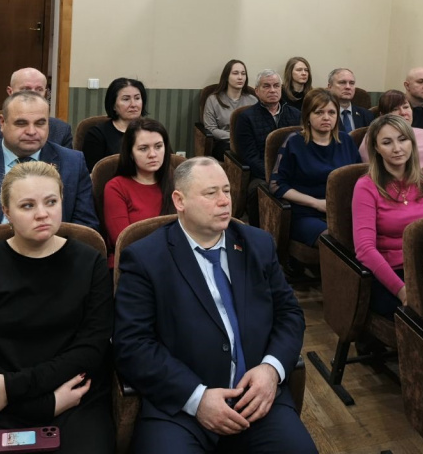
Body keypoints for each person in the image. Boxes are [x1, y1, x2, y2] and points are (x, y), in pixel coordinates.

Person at [114, 158, 316, 453]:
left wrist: (271, 370)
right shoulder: (146, 258)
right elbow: (132, 344)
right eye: (211, 193)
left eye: (227, 191)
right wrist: (197, 398)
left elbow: (289, 314)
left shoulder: (257, 244)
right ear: (179, 201)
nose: (224, 201)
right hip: (180, 408)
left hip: (255, 399)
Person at [0, 161, 113, 451]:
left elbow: (90, 350)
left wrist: (12, 388)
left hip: (71, 398)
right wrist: (41, 405)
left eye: (51, 202)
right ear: (6, 212)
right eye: (27, 206)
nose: (42, 214)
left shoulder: (91, 262)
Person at [0, 91, 99, 273]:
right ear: (2, 123)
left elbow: (85, 231)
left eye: (40, 123)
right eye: (21, 123)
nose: (31, 131)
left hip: (55, 270)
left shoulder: (73, 163)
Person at [353, 114, 423, 318]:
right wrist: (402, 290)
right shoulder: (366, 186)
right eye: (387, 142)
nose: (397, 148)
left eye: (403, 139)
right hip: (390, 274)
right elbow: (365, 250)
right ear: (376, 148)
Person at [270, 89, 360, 247]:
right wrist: (316, 203)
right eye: (319, 112)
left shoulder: (346, 140)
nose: (326, 117)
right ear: (307, 116)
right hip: (306, 213)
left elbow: (360, 179)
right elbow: (276, 185)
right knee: (337, 240)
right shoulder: (294, 142)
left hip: (343, 212)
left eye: (331, 112)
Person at [234, 70, 302, 226]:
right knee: (256, 190)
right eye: (266, 86)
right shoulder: (246, 117)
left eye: (276, 86)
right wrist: (273, 175)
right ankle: (257, 233)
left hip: (292, 170)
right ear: (257, 91)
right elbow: (249, 156)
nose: (272, 90)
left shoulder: (295, 114)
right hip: (261, 173)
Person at [103, 119, 175, 266]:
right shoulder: (116, 187)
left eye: (158, 146)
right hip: (133, 263)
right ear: (130, 153)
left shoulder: (177, 181)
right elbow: (123, 241)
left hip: (175, 261)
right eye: (143, 149)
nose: (153, 154)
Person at [0, 68, 73, 148]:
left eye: (39, 89)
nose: (33, 94)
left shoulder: (62, 130)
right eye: (26, 89)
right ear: (10, 92)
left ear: (45, 93)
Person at [358, 90, 423, 168]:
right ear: (383, 115)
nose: (403, 113)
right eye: (395, 109)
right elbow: (371, 171)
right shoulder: (373, 137)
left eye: (406, 107)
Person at [83, 78, 147, 172]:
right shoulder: (97, 134)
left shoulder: (153, 131)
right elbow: (94, 174)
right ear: (113, 105)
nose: (133, 104)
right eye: (126, 99)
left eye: (137, 98)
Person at [203, 60, 257, 160]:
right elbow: (211, 129)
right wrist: (234, 137)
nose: (240, 77)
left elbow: (257, 126)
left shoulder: (253, 100)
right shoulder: (213, 99)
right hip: (224, 143)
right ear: (226, 77)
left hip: (248, 142)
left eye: (243, 73)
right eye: (235, 73)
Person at [326, 68, 375, 133]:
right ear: (330, 87)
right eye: (342, 82)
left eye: (352, 83)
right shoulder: (324, 115)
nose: (348, 87)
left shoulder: (367, 115)